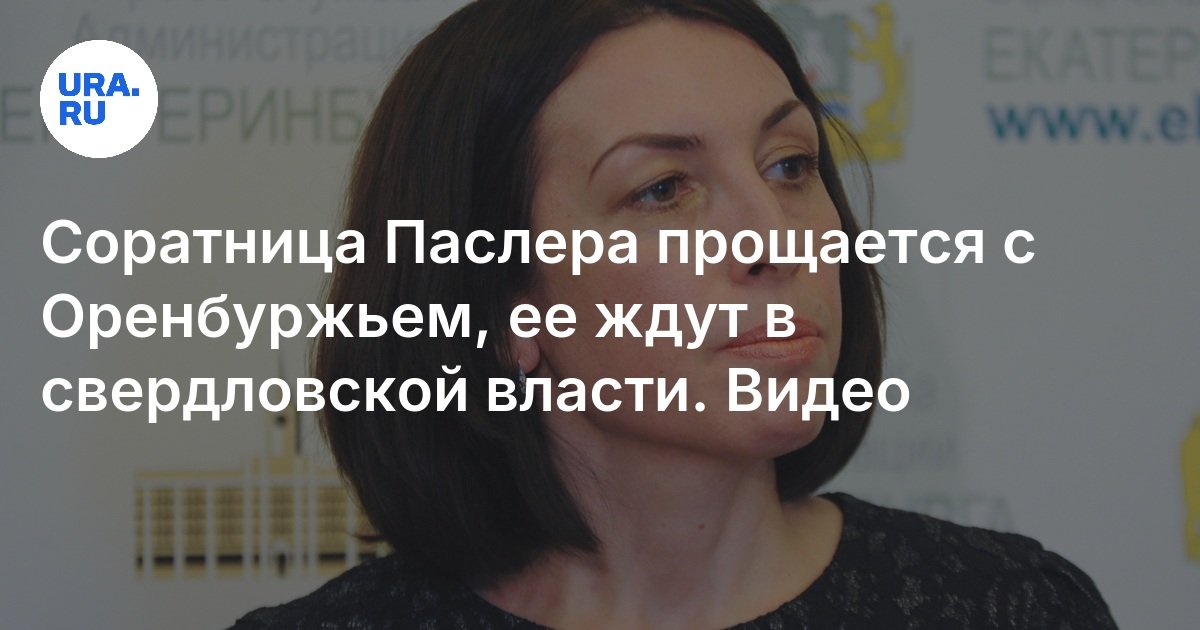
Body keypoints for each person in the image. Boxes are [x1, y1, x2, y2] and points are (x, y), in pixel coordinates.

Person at [232, 0, 1118, 627]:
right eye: (663, 189)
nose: (776, 237)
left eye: (790, 166)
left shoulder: (1011, 608)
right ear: (504, 309)